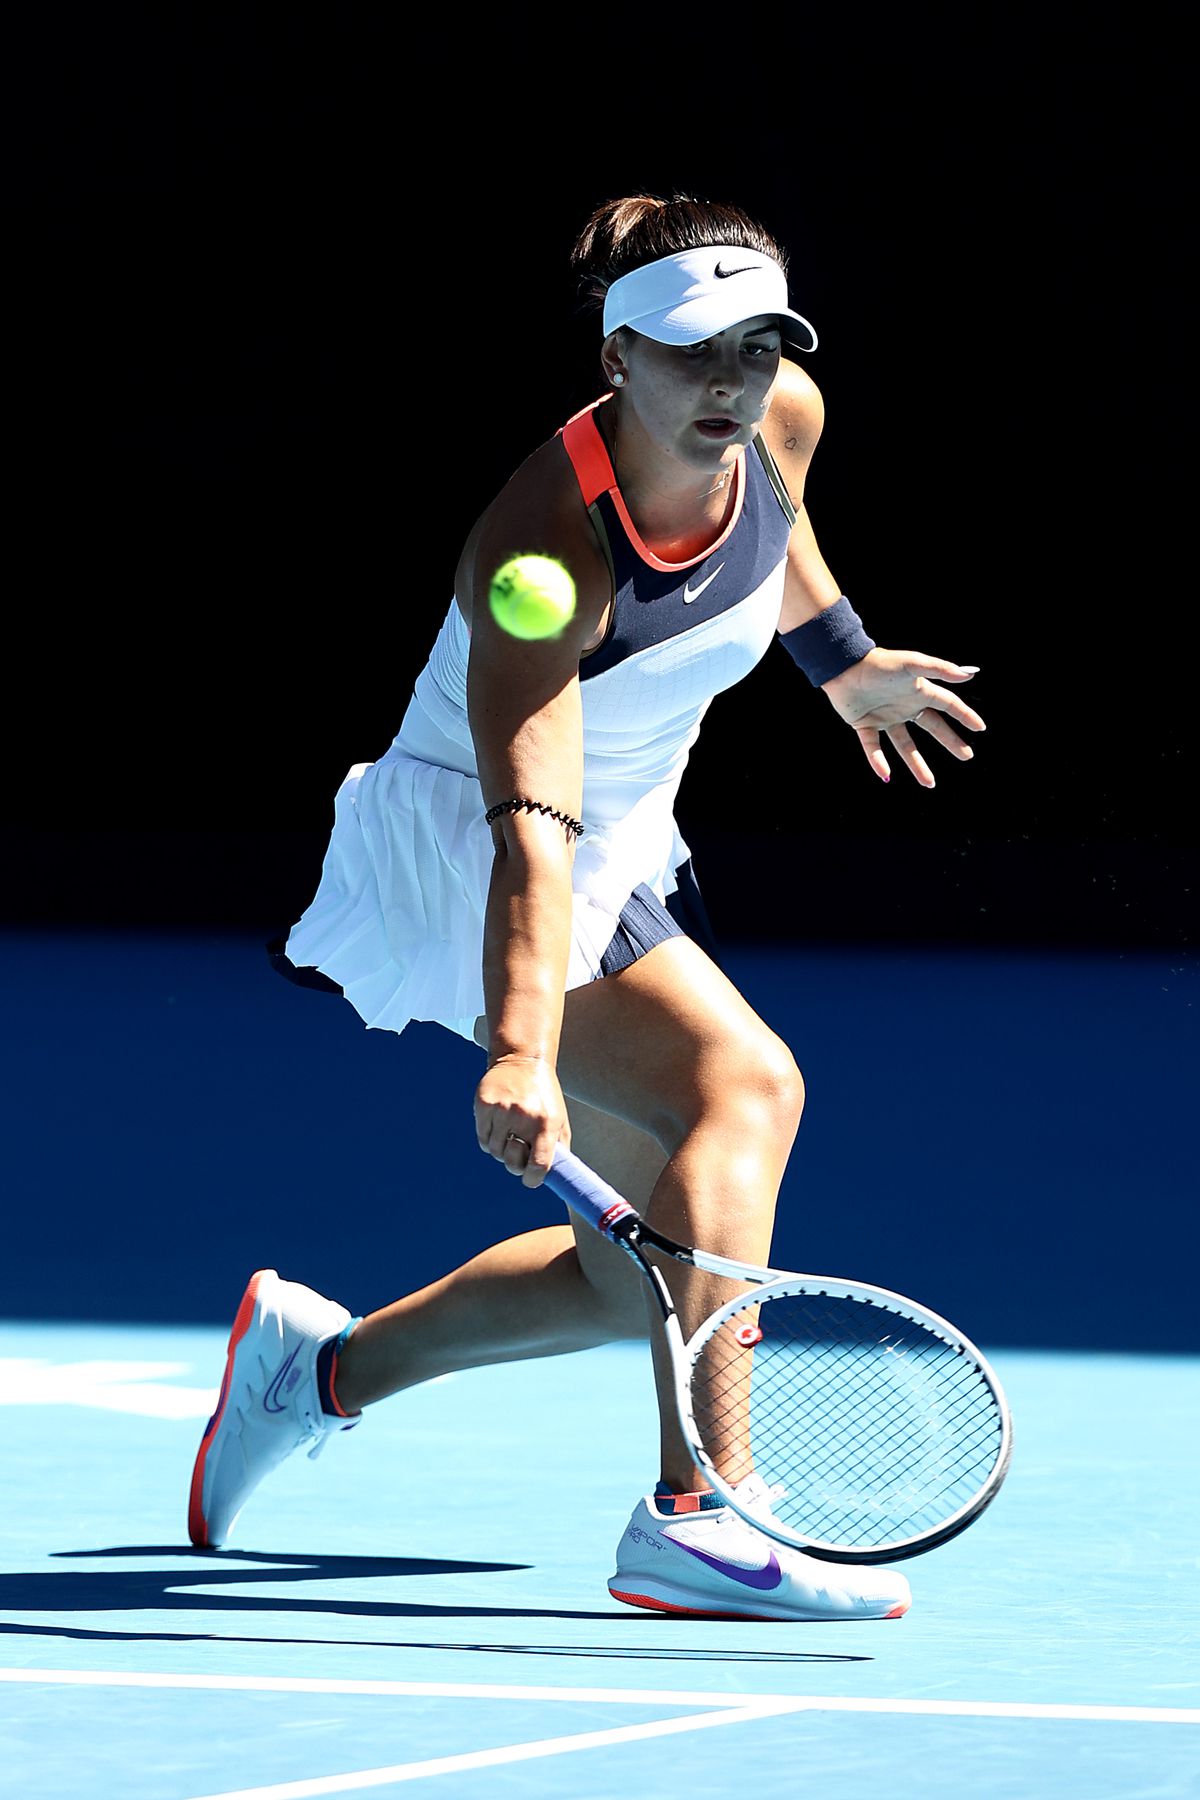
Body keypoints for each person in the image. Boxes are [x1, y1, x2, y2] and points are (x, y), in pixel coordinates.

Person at [188, 193, 985, 1620]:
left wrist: (843, 661)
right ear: (616, 358)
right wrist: (522, 1049)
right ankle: (702, 1511)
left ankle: (314, 1374)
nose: (732, 383)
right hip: (487, 845)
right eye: (693, 353)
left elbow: (782, 532)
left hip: (613, 831)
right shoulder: (542, 554)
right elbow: (533, 828)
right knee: (744, 1087)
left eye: (757, 346)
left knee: (638, 1284)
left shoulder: (777, 418)